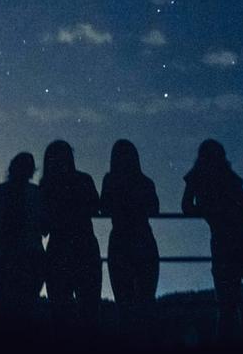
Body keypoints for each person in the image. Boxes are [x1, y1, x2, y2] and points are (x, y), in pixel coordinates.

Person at [182, 139, 243, 341]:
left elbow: (187, 207)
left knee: (227, 309)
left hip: (225, 247)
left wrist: (208, 211)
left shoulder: (198, 177)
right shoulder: (230, 178)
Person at [39, 140, 102, 331]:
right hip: (85, 246)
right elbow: (96, 206)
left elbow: (43, 227)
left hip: (59, 248)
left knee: (60, 307)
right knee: (89, 306)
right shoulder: (84, 180)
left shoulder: (46, 186)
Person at [99, 139, 159, 330]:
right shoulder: (145, 181)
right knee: (145, 301)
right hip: (142, 239)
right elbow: (154, 209)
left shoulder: (110, 180)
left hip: (120, 241)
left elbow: (104, 208)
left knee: (124, 302)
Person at [0, 152, 44, 333]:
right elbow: (45, 226)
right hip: (29, 257)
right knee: (25, 313)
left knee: (1, 314)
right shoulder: (37, 193)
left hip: (2, 258)